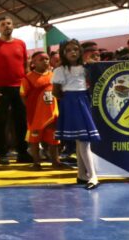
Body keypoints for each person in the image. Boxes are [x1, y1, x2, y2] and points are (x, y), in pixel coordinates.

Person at [0, 15, 32, 165]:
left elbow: (26, 67)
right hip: (1, 89)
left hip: (20, 88)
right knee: (1, 122)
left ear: (13, 26)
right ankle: (2, 153)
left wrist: (28, 87)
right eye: (3, 24)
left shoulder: (21, 44)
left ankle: (22, 152)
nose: (6, 26)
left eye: (9, 23)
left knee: (21, 121)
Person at [53, 40, 100, 189]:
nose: (73, 52)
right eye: (68, 50)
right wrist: (68, 100)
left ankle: (82, 175)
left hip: (84, 101)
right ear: (63, 53)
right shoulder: (60, 70)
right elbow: (55, 91)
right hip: (71, 102)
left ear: (80, 52)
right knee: (83, 140)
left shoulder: (85, 68)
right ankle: (92, 176)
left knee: (82, 140)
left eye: (75, 49)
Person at [21, 51, 60, 170]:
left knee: (54, 140)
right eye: (41, 59)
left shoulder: (54, 76)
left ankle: (55, 162)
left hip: (52, 114)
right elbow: (23, 95)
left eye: (47, 59)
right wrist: (31, 108)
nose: (45, 61)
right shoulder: (28, 78)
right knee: (34, 140)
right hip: (36, 116)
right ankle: (36, 163)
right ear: (33, 62)